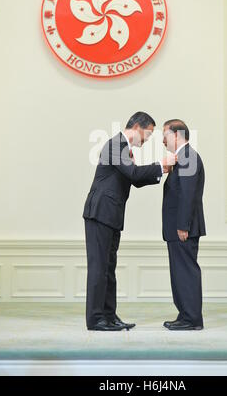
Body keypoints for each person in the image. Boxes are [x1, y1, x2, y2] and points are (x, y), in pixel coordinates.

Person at [83, 112, 176, 331]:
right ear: (136, 127)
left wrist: (159, 170)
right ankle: (96, 320)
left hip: (111, 216)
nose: (148, 138)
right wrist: (160, 164)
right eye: (148, 133)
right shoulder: (115, 144)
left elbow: (134, 179)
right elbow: (133, 173)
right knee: (99, 268)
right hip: (100, 214)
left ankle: (109, 315)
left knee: (109, 268)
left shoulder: (124, 149)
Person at [162, 119, 206, 331]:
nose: (163, 139)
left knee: (186, 272)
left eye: (165, 135)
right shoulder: (182, 158)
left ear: (177, 134)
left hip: (183, 229)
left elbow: (188, 194)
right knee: (179, 273)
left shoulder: (188, 156)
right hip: (178, 228)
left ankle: (192, 319)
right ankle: (185, 315)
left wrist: (183, 225)